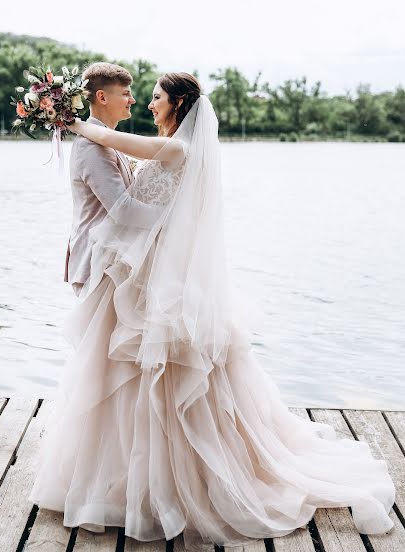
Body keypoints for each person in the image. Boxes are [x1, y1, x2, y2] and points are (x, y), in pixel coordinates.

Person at [28, 73, 395, 547]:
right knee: (132, 372)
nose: (145, 101)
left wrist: (65, 118)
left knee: (153, 370)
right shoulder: (163, 147)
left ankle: (173, 478)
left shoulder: (177, 150)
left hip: (152, 273)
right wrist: (66, 118)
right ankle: (127, 471)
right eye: (138, 94)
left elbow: (116, 164)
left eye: (156, 96)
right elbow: (116, 163)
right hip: (143, 272)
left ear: (178, 104)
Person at [63, 61, 160, 298]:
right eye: (126, 93)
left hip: (113, 260)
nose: (133, 100)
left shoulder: (107, 142)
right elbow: (123, 210)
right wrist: (171, 217)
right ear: (102, 97)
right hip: (97, 263)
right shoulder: (91, 147)